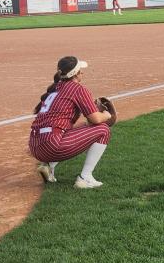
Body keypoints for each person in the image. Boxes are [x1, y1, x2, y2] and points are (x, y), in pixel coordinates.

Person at [28, 56, 113, 188]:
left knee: (78, 128)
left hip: (34, 145)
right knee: (103, 130)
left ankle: (49, 165)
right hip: (51, 145)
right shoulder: (77, 89)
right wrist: (106, 115)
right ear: (75, 73)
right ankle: (85, 178)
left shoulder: (55, 88)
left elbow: (87, 123)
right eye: (80, 70)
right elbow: (95, 119)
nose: (82, 73)